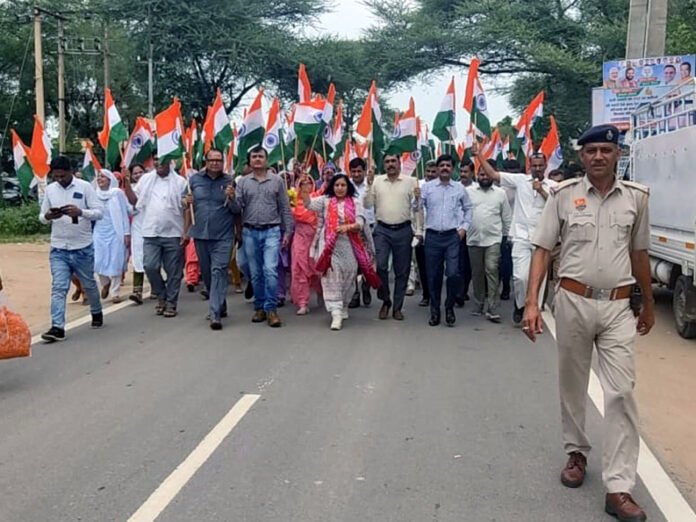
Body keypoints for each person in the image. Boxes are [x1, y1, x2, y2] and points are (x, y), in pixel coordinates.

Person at [523, 124, 654, 522]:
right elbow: (543, 250)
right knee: (573, 385)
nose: (599, 156)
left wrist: (648, 302)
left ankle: (619, 488)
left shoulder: (637, 199)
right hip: (573, 301)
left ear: (618, 155)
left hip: (617, 308)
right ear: (581, 157)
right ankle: (576, 453)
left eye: (606, 150)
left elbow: (640, 254)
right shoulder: (563, 197)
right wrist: (532, 303)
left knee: (621, 393)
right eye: (592, 150)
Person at [473, 145, 557, 326]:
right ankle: (520, 304)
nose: (537, 169)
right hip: (520, 236)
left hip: (542, 239)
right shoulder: (520, 180)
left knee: (539, 280)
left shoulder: (553, 187)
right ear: (529, 166)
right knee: (520, 277)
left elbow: (558, 207)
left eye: (541, 166)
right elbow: (494, 175)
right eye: (534, 166)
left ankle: (534, 310)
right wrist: (479, 156)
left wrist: (541, 190)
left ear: (545, 166)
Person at [299, 173, 378, 330]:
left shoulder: (355, 202)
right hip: (329, 245)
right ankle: (335, 313)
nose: (340, 188)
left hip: (350, 244)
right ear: (332, 187)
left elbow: (361, 223)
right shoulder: (326, 201)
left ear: (347, 187)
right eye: (337, 185)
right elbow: (308, 204)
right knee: (331, 276)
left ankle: (344, 305)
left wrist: (347, 227)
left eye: (343, 185)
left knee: (348, 277)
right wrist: (304, 187)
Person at [39, 156, 104, 342]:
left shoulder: (85, 187)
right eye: (56, 176)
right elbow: (41, 217)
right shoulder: (50, 190)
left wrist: (81, 212)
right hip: (59, 248)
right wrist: (49, 216)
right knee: (59, 287)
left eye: (62, 175)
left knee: (89, 284)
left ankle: (96, 311)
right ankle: (57, 327)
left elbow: (100, 212)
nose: (59, 179)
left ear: (70, 171)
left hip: (82, 247)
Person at [233, 145, 294, 327]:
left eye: (261, 156)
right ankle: (259, 307)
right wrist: (230, 198)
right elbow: (237, 208)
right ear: (249, 161)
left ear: (266, 160)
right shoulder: (243, 182)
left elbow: (284, 207)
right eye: (254, 157)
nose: (258, 159)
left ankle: (271, 308)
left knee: (270, 269)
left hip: (272, 231)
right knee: (256, 273)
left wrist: (288, 231)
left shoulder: (277, 181)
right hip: (250, 231)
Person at [185, 148, 241, 330]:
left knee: (219, 271)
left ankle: (214, 313)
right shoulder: (194, 181)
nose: (215, 163)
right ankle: (220, 302)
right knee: (208, 275)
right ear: (206, 161)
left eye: (218, 160)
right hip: (200, 234)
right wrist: (186, 201)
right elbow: (184, 203)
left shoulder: (230, 182)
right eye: (212, 160)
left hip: (223, 235)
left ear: (223, 162)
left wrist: (232, 199)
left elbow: (237, 209)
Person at [124, 157, 187, 317]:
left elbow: (188, 209)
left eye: (162, 160)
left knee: (174, 272)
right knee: (150, 266)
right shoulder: (146, 180)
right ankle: (161, 296)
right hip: (150, 232)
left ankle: (171, 303)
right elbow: (134, 201)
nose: (158, 163)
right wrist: (126, 183)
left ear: (170, 162)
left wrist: (186, 231)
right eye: (156, 160)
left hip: (174, 233)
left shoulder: (181, 182)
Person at [364, 153, 423, 320]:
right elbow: (367, 204)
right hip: (382, 230)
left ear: (399, 163)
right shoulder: (376, 181)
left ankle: (398, 306)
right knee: (381, 267)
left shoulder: (411, 182)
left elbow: (418, 208)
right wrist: (368, 185)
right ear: (384, 165)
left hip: (404, 230)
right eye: (387, 162)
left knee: (402, 270)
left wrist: (419, 230)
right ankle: (385, 300)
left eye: (393, 161)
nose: (390, 164)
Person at [419, 154, 472, 327]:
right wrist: (415, 197)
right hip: (433, 237)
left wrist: (464, 227)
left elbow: (468, 208)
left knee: (453, 273)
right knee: (433, 276)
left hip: (452, 237)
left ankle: (449, 306)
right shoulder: (427, 188)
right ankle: (435, 311)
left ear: (452, 168)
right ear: (438, 167)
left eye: (448, 166)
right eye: (441, 165)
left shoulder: (458, 188)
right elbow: (416, 208)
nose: (444, 168)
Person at [466, 160, 512, 323]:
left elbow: (506, 217)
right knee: (477, 273)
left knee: (491, 269)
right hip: (473, 240)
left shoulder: (500, 193)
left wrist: (507, 237)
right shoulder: (468, 192)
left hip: (494, 239)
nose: (484, 177)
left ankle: (493, 307)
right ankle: (479, 303)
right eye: (481, 174)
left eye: (487, 174)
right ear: (477, 175)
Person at [93, 169, 131, 304]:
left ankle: (115, 292)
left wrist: (127, 233)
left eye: (103, 176)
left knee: (115, 260)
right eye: (98, 176)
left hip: (116, 231)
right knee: (97, 261)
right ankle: (105, 282)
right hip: (99, 232)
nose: (100, 179)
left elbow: (124, 213)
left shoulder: (117, 194)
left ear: (110, 180)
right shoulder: (94, 194)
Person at [290, 174, 321, 315]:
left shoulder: (317, 198)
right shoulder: (293, 199)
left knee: (317, 269)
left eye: (309, 183)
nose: (306, 186)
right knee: (299, 269)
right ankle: (303, 302)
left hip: (315, 238)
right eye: (303, 183)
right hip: (299, 238)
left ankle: (321, 292)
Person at [348, 157, 375, 308]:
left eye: (359, 171)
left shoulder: (371, 184)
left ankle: (366, 285)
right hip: (353, 229)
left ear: (364, 171)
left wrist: (370, 184)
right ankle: (355, 293)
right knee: (352, 263)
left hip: (370, 227)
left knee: (368, 261)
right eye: (354, 171)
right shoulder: (346, 186)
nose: (357, 174)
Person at [123, 163, 147, 304]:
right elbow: (133, 203)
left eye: (141, 172)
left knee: (152, 259)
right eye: (135, 173)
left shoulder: (152, 184)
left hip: (154, 226)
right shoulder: (132, 189)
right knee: (138, 257)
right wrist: (126, 183)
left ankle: (157, 288)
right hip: (138, 226)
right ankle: (137, 291)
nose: (138, 175)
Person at [498, 158, 521, 301]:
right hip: (504, 231)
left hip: (521, 230)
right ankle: (506, 287)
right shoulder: (501, 191)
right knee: (505, 263)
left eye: (516, 173)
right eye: (511, 173)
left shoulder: (525, 186)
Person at [455, 159, 476, 304]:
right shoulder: (454, 187)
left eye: (466, 172)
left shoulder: (477, 189)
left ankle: (462, 291)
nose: (463, 174)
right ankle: (458, 292)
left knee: (466, 264)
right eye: (461, 171)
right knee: (456, 263)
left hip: (471, 230)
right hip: (455, 231)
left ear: (472, 173)